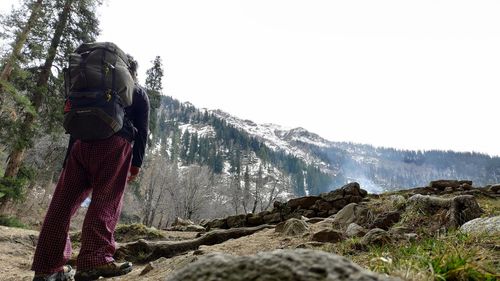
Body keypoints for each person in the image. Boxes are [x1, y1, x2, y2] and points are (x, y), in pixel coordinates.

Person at [31, 55, 149, 281]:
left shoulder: (87, 87)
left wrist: (68, 160)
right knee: (105, 202)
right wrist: (136, 163)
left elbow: (75, 126)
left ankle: (47, 269)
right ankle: (94, 262)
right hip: (114, 147)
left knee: (61, 206)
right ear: (130, 72)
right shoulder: (137, 92)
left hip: (80, 147)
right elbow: (142, 131)